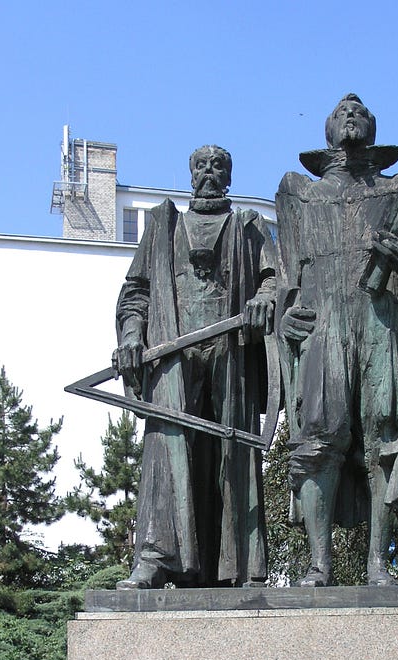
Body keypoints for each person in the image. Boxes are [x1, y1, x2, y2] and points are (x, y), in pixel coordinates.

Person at [276, 94, 398, 586]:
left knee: (385, 437)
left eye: (359, 111)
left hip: (380, 324)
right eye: (340, 112)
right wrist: (282, 316)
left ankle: (378, 563)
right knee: (316, 439)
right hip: (323, 326)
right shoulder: (297, 193)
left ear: (374, 130)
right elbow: (283, 274)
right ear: (327, 131)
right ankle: (320, 564)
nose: (350, 113)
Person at [113, 145, 276, 588]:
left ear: (229, 175)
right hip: (172, 352)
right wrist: (131, 338)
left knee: (232, 453)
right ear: (190, 174)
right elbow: (136, 293)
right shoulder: (165, 226)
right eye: (200, 166)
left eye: (218, 166)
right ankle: (154, 558)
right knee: (166, 450)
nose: (209, 172)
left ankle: (241, 568)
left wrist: (264, 299)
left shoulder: (247, 224)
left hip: (231, 348)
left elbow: (274, 278)